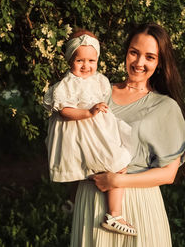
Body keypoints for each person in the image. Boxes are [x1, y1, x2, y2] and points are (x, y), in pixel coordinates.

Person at [70, 23, 185, 247]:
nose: (139, 63)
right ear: (126, 52)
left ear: (159, 63)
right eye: (134, 52)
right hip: (91, 200)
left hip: (138, 203)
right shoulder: (97, 92)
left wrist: (117, 179)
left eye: (150, 57)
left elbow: (168, 174)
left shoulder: (165, 106)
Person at [43, 29, 137, 236]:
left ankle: (75, 201)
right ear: (70, 61)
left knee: (116, 161)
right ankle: (114, 214)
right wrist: (88, 112)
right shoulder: (66, 85)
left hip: (98, 130)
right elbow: (64, 110)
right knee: (118, 163)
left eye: (91, 61)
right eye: (80, 61)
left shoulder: (99, 80)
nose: (86, 66)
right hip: (83, 131)